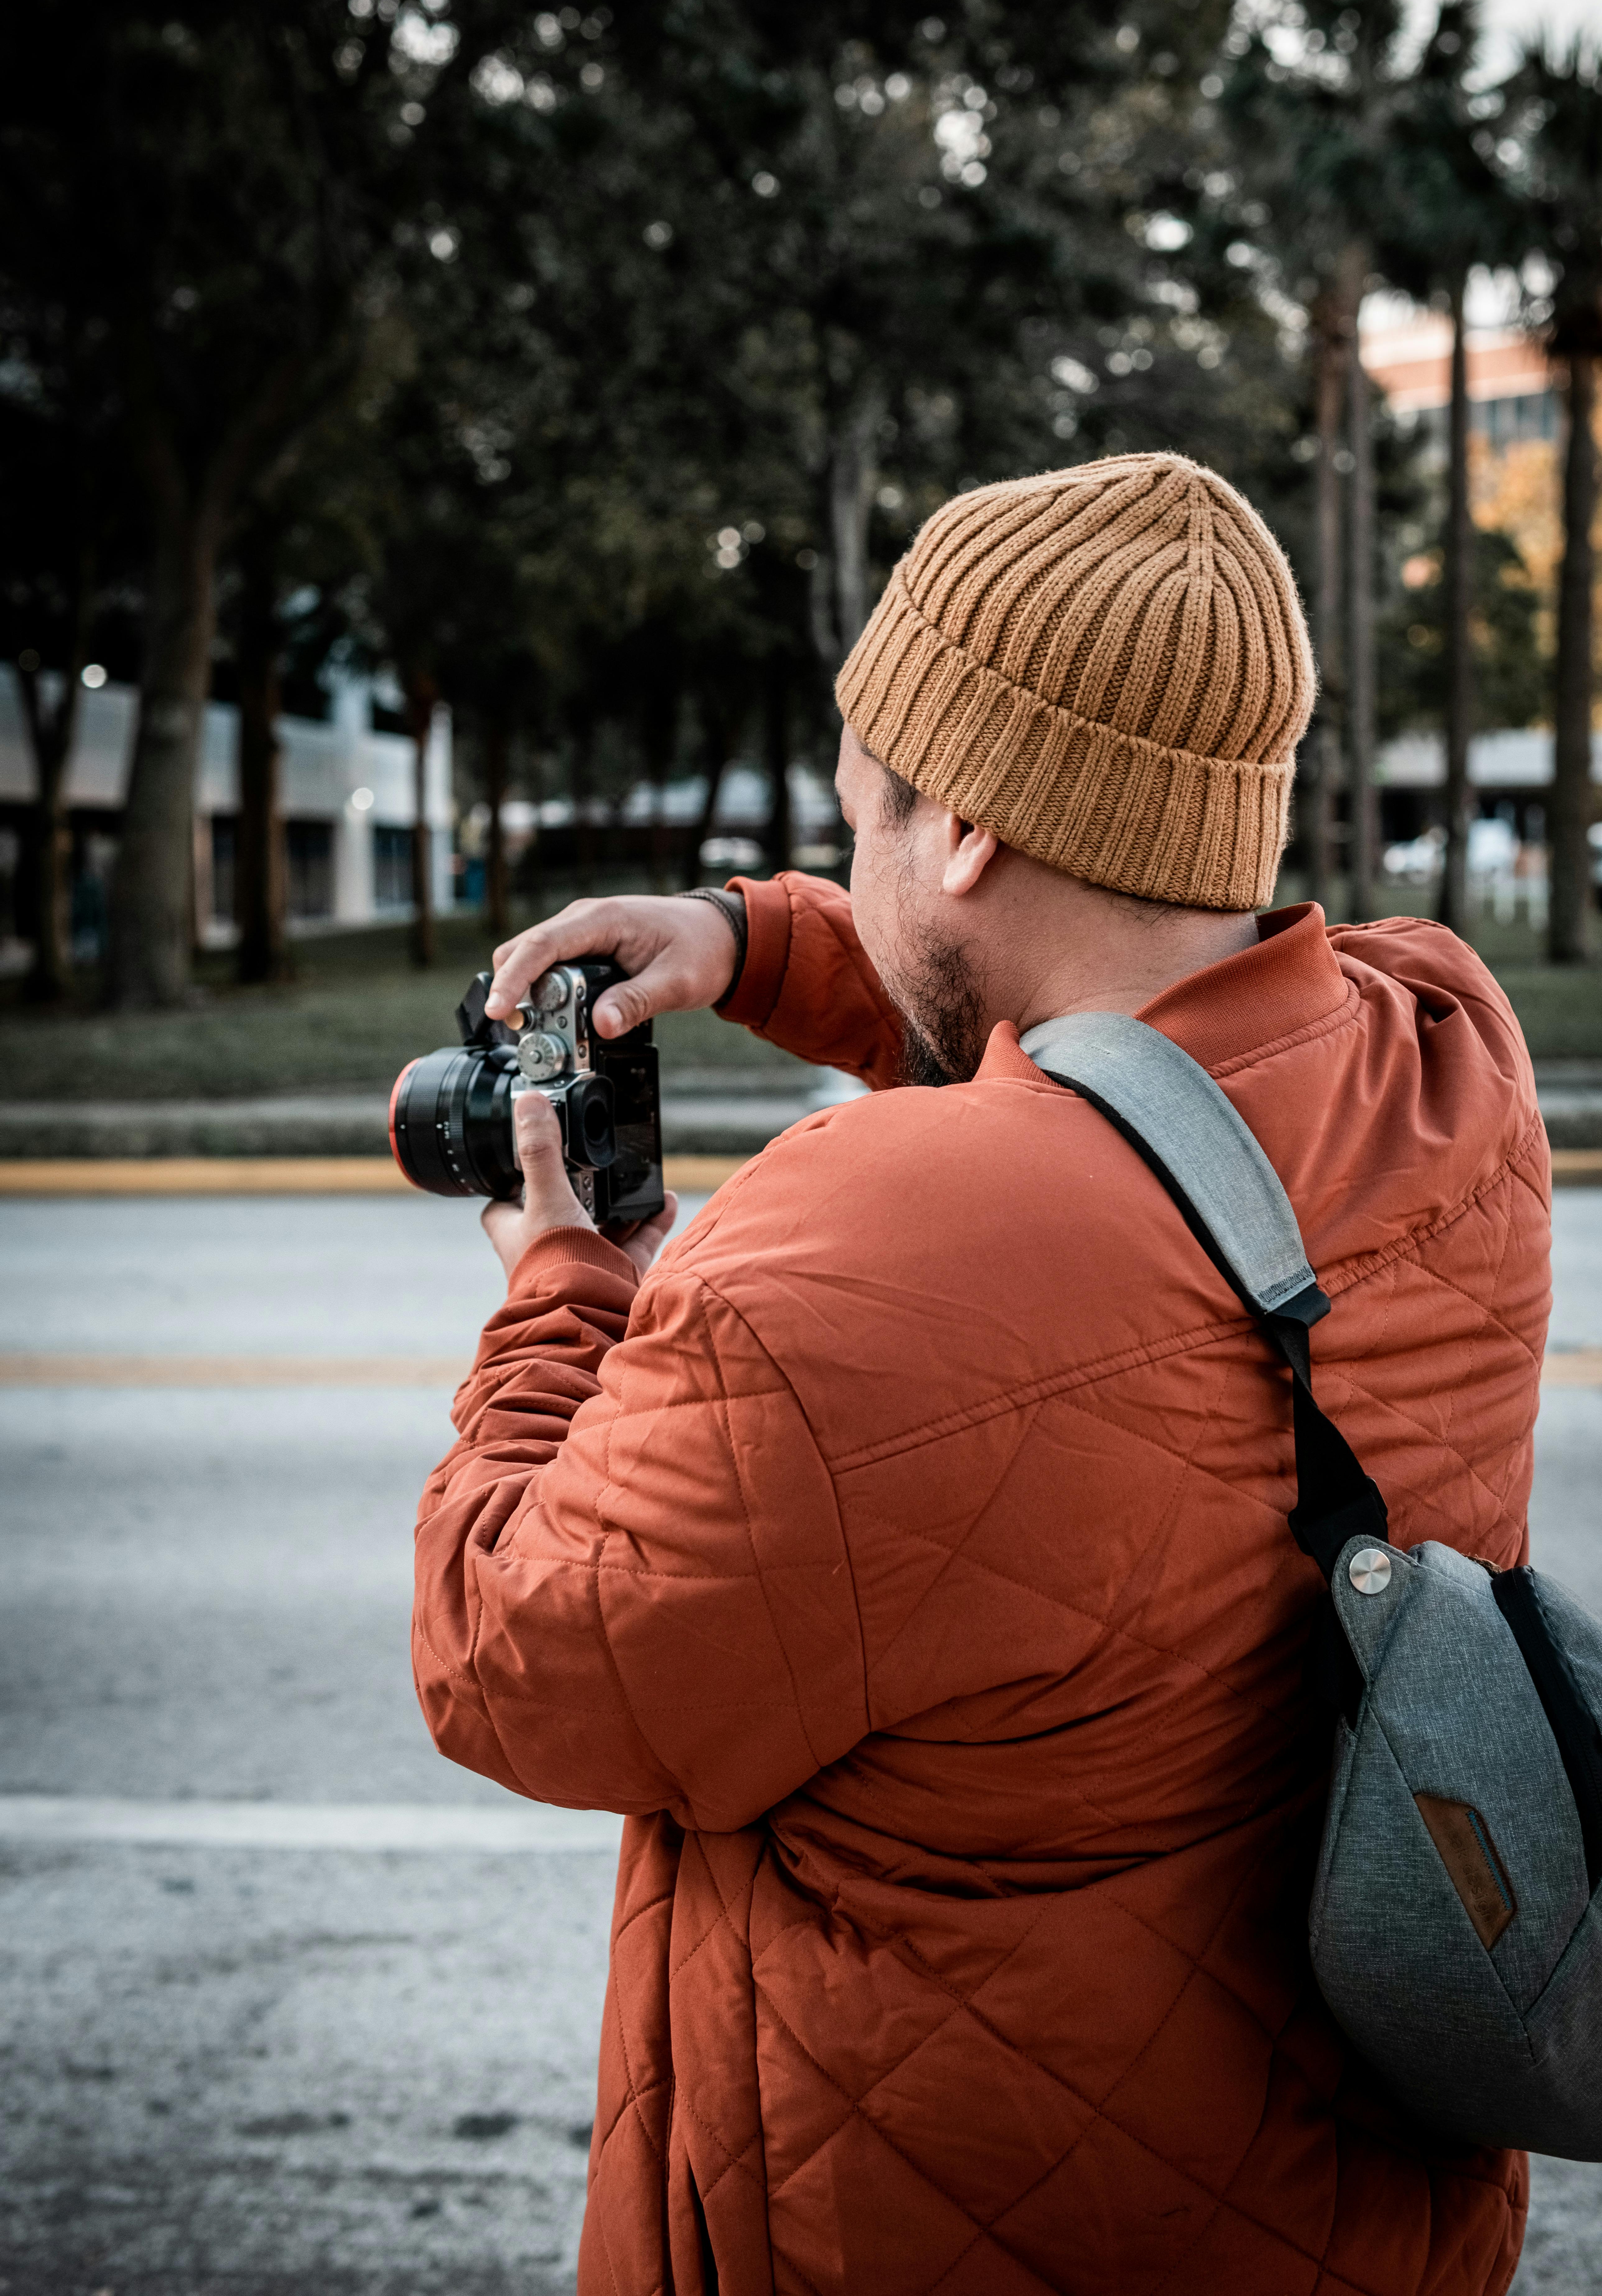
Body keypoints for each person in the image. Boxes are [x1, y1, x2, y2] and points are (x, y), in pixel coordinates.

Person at [414, 453, 1548, 2295]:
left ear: (961, 836)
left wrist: (561, 1289)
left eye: (857, 811)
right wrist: (762, 942)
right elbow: (1151, 1054)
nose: (842, 852)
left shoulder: (860, 1240)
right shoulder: (1452, 1061)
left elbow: (513, 1663)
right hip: (1356, 2217)